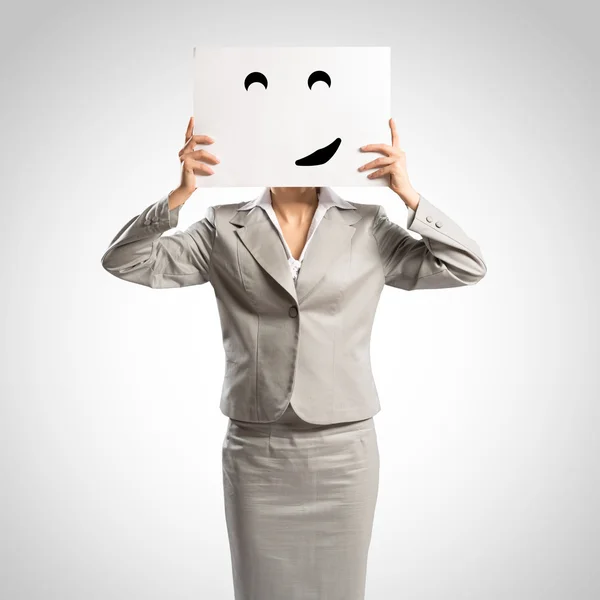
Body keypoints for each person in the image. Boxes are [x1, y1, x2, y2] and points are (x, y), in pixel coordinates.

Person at [101, 115, 486, 600]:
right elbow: (126, 261)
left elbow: (465, 267)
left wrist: (410, 197)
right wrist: (178, 198)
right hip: (257, 449)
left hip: (344, 451)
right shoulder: (222, 225)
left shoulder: (368, 225)